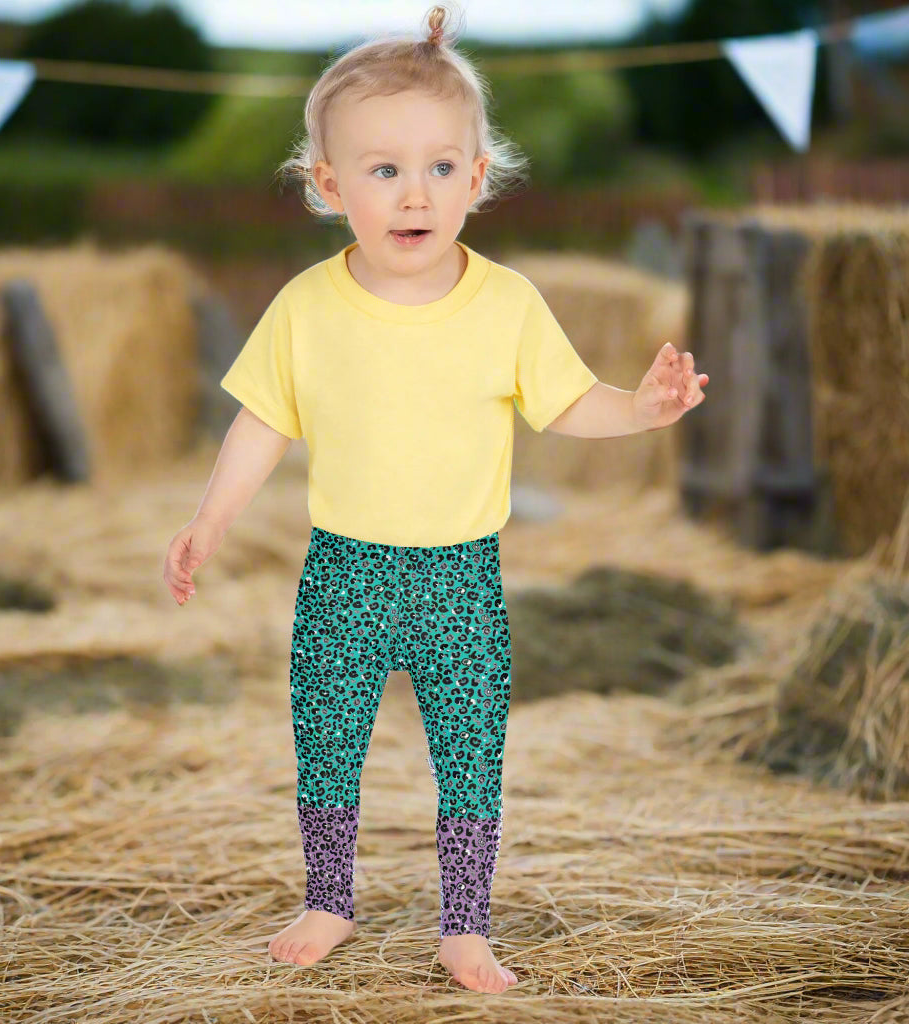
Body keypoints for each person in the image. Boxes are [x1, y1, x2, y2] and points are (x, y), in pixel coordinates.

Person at [163, 1, 708, 996]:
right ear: (329, 186)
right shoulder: (305, 308)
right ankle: (329, 896)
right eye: (382, 170)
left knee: (470, 749)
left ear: (477, 176)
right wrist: (209, 521)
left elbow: (567, 402)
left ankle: (464, 925)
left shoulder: (505, 304)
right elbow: (260, 424)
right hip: (346, 569)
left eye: (439, 167)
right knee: (326, 733)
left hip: (462, 574)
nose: (414, 193)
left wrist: (639, 407)